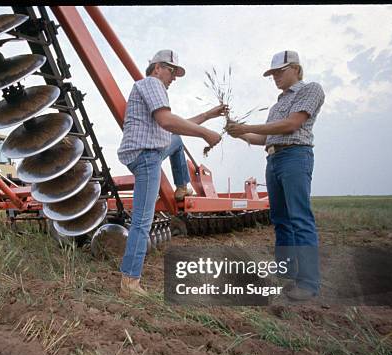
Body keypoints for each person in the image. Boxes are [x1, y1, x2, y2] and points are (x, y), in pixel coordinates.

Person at [117, 49, 226, 296]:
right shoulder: (152, 83)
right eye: (172, 71)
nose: (174, 77)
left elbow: (174, 126)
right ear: (157, 67)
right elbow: (167, 121)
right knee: (142, 222)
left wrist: (209, 115)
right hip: (146, 157)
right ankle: (129, 282)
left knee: (175, 139)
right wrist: (205, 134)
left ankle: (181, 187)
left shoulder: (151, 88)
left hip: (149, 152)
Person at [225, 50, 325, 301]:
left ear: (297, 70)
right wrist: (240, 134)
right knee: (280, 217)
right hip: (274, 158)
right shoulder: (277, 105)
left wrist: (246, 126)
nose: (275, 77)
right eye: (272, 74)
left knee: (299, 217)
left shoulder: (310, 90)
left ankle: (308, 282)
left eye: (280, 72)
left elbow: (291, 125)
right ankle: (286, 270)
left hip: (295, 156)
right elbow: (265, 137)